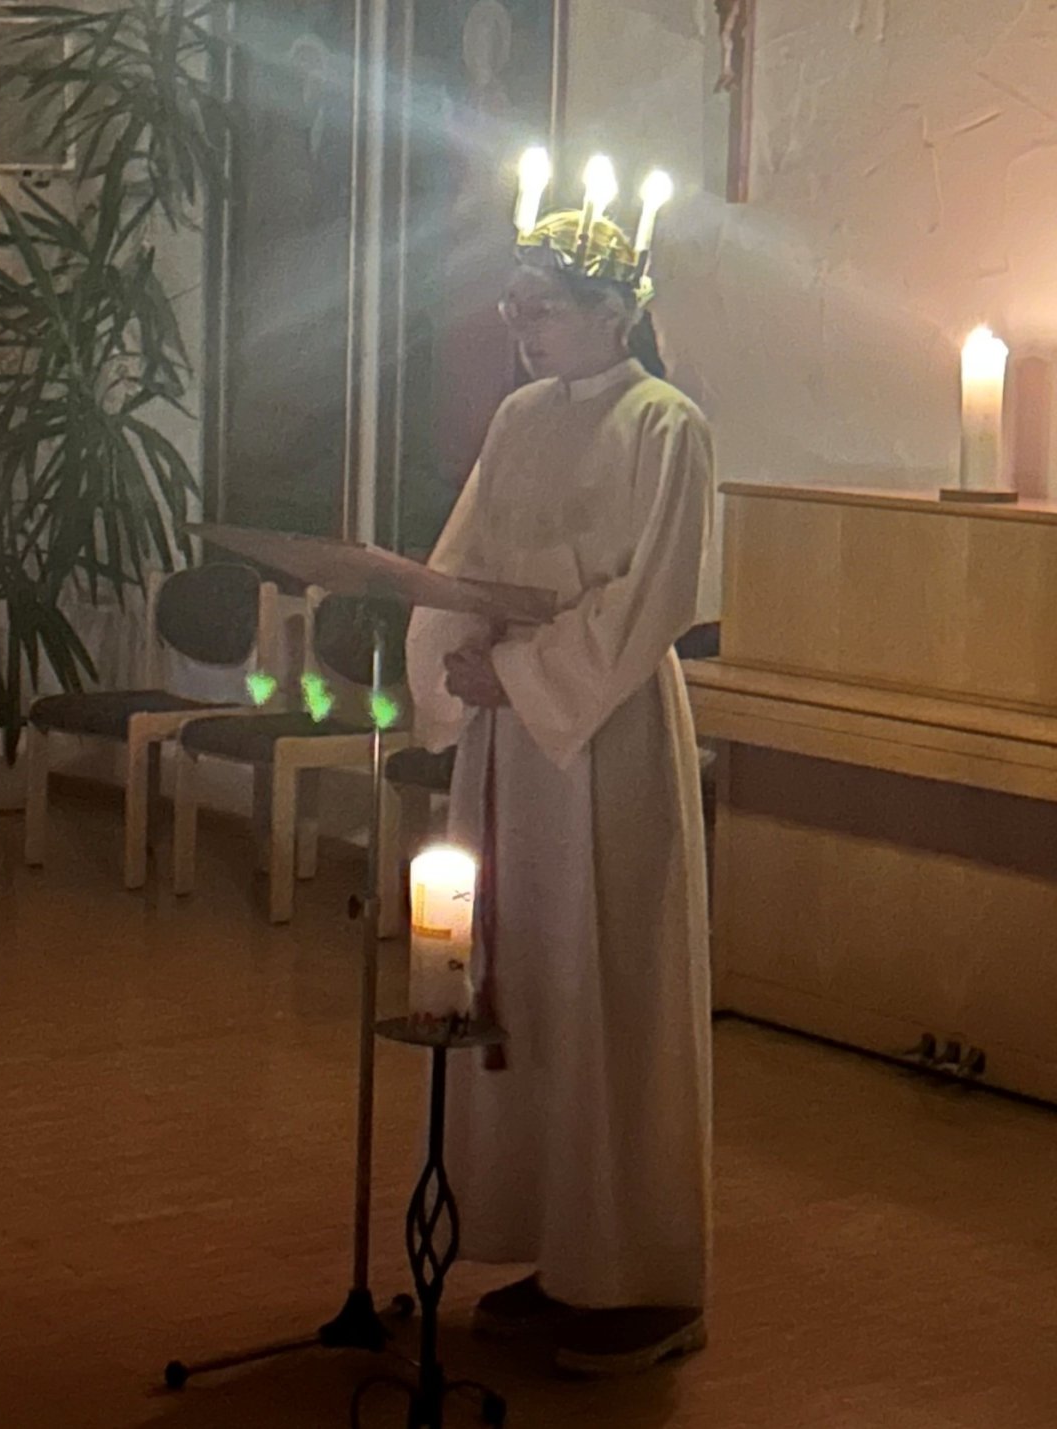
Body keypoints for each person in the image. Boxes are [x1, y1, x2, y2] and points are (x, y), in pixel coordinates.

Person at [405, 206, 715, 1377]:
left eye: (545, 307)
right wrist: (454, 661)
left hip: (605, 732)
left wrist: (525, 673)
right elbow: (466, 556)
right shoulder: (521, 417)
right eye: (516, 305)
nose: (525, 327)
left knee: (610, 985)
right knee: (529, 979)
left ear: (615, 310)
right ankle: (558, 1247)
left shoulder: (665, 423)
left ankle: (641, 1276)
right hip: (511, 737)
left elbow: (651, 596)